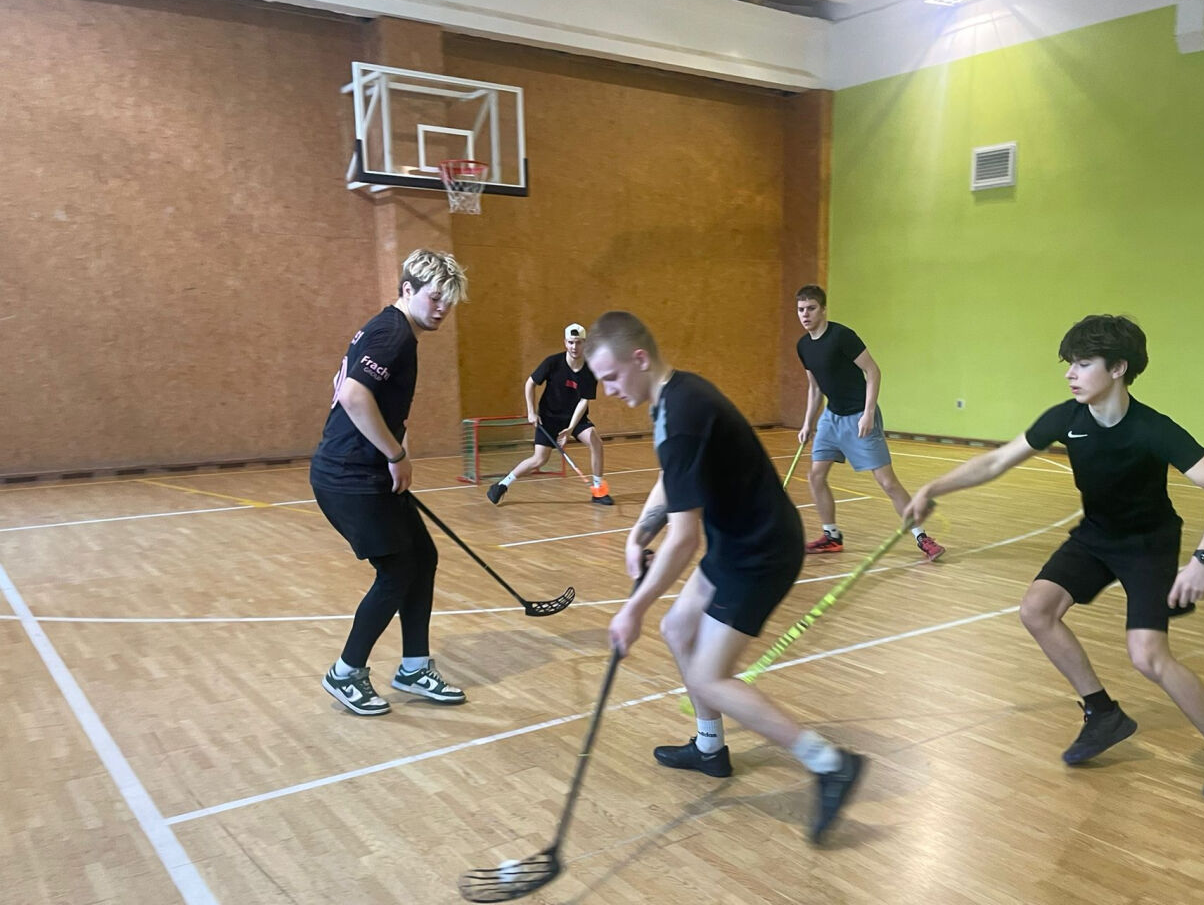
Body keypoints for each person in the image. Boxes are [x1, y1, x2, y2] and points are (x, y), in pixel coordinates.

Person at [903, 314, 1204, 803]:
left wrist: (1203, 559)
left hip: (1147, 543)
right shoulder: (1067, 419)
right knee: (1036, 610)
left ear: (1118, 368)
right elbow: (996, 460)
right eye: (1069, 364)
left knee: (1148, 656)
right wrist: (933, 488)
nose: (1070, 374)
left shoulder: (1152, 428)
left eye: (1083, 363)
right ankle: (1103, 713)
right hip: (1096, 536)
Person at [586, 310, 864, 843]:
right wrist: (638, 533)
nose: (609, 390)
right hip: (736, 541)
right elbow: (673, 477)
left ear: (639, 359)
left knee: (710, 676)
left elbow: (684, 540)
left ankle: (831, 764)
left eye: (612, 377)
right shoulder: (671, 398)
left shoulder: (682, 412)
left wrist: (632, 609)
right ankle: (710, 748)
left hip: (761, 552)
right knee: (677, 629)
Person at [309, 249, 470, 716]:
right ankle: (346, 673)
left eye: (449, 300)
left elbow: (356, 389)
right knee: (397, 571)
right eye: (435, 297)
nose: (442, 308)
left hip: (366, 470)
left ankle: (414, 667)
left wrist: (395, 448)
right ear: (407, 289)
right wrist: (395, 455)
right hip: (348, 476)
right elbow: (352, 395)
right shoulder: (393, 335)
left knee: (423, 556)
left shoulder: (390, 329)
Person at [794, 284, 945, 562]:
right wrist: (807, 424)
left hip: (858, 416)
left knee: (887, 482)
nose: (805, 314)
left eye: (811, 308)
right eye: (801, 309)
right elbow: (814, 389)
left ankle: (922, 537)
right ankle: (831, 536)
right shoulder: (803, 346)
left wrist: (868, 412)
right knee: (815, 476)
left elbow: (873, 371)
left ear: (823, 309)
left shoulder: (842, 336)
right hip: (831, 418)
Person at [487, 324, 613, 505]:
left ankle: (598, 491)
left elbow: (584, 401)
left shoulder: (590, 370)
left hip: (575, 418)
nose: (574, 347)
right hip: (549, 418)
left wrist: (570, 429)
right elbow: (530, 383)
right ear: (565, 343)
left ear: (585, 343)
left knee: (595, 440)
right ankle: (502, 485)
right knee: (539, 459)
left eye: (578, 342)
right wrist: (531, 412)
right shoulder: (552, 363)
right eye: (571, 342)